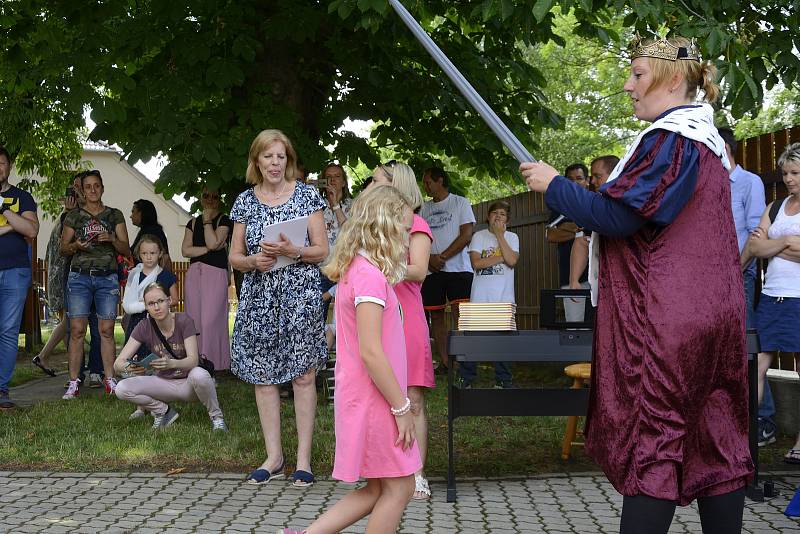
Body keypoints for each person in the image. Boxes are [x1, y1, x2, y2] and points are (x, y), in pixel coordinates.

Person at [521, 35, 752, 533]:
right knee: (716, 437)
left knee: (656, 436)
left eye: (638, 74)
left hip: (668, 320)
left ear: (672, 78)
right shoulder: (707, 144)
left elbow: (621, 216)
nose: (628, 86)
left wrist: (555, 186)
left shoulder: (673, 139)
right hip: (716, 316)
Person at [283, 185, 419, 534]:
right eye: (403, 229)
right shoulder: (369, 276)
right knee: (400, 487)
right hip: (377, 399)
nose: (406, 238)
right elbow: (372, 352)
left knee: (378, 488)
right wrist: (401, 408)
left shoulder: (357, 269)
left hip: (367, 396)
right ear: (384, 227)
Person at [229, 129, 328, 487]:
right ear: (256, 161)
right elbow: (234, 257)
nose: (275, 163)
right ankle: (273, 457)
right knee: (264, 376)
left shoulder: (306, 196)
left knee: (303, 375)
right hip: (259, 297)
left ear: (289, 161)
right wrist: (254, 261)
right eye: (268, 157)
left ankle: (303, 460)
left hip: (299, 297)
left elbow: (322, 251)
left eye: (281, 157)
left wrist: (293, 251)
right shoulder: (245, 202)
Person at [369, 161, 435, 500]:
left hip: (406, 316)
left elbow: (419, 270)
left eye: (378, 179)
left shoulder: (417, 223)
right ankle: (386, 470)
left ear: (396, 185)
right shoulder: (377, 224)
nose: (372, 183)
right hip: (376, 315)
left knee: (414, 399)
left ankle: (417, 473)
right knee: (382, 397)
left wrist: (379, 267)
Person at [718, 127, 774, 447]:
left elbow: (756, 233)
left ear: (724, 147)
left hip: (741, 273)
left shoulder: (748, 182)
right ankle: (731, 416)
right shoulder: (704, 184)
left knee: (747, 341)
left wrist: (736, 270)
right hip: (710, 279)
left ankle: (763, 417)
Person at [113, 282, 227, 431]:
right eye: (151, 303)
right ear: (146, 307)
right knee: (121, 388)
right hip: (163, 382)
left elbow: (193, 360)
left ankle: (217, 418)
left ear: (169, 301)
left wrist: (171, 364)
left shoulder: (183, 321)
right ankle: (163, 412)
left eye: (160, 301)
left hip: (189, 383)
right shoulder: (143, 326)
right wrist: (132, 367)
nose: (157, 307)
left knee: (200, 375)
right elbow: (117, 364)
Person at [748, 142, 800, 464]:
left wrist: (770, 245)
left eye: (795, 173)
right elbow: (754, 248)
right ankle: (747, 437)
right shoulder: (776, 206)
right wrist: (785, 243)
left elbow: (764, 245)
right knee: (755, 366)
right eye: (785, 173)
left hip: (799, 300)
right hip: (771, 298)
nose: (789, 179)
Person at [60, 170, 131, 399]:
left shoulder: (114, 215)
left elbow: (127, 249)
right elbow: (63, 248)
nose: (92, 190)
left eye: (96, 186)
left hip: (106, 277)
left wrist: (111, 238)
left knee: (107, 330)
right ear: (83, 190)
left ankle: (109, 379)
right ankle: (73, 382)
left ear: (102, 188)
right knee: (77, 330)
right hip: (79, 276)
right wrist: (76, 246)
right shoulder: (74, 216)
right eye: (88, 186)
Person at [459, 200, 519, 389]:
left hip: (504, 299)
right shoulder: (479, 236)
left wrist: (501, 236)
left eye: (502, 214)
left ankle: (503, 381)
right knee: (471, 341)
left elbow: (513, 261)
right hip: (480, 299)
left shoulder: (512, 237)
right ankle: (466, 380)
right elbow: (477, 263)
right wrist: (503, 257)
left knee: (503, 342)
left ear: (507, 219)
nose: (498, 217)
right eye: (495, 213)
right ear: (488, 216)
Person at [420, 166, 475, 371]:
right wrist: (429, 259)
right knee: (436, 316)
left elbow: (467, 233)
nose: (425, 186)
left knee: (461, 314)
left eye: (428, 182)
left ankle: (464, 360)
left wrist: (442, 256)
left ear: (440, 180)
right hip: (431, 270)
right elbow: (418, 237)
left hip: (458, 269)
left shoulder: (460, 202)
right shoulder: (424, 209)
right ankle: (445, 362)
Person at [0, 146, 39, 409]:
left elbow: (31, 230)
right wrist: (13, 226)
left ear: (9, 166)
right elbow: (21, 227)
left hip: (15, 271)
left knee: (8, 331)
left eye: (2, 163)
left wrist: (3, 209)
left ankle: (1, 389)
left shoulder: (21, 197)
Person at [181, 188, 232, 371]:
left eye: (214, 196)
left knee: (211, 320)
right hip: (194, 273)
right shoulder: (192, 223)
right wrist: (209, 249)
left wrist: (208, 221)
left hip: (216, 273)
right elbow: (186, 251)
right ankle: (194, 361)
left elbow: (212, 241)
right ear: (200, 198)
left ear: (219, 200)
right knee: (194, 318)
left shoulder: (224, 220)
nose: (210, 200)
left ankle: (214, 363)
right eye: (205, 196)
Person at [566, 156, 620, 322]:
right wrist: (574, 280)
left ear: (615, 175)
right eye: (592, 177)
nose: (593, 181)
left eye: (598, 176)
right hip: (602, 285)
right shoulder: (595, 204)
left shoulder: (633, 201)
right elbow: (582, 241)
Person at [33, 191, 78, 377]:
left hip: (57, 276)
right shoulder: (67, 219)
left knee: (68, 322)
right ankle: (46, 356)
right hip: (62, 277)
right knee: (69, 321)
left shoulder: (62, 219)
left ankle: (72, 368)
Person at [545, 163, 589, 321]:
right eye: (570, 180)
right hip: (570, 278)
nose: (575, 183)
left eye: (579, 178)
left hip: (599, 278)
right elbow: (550, 235)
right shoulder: (560, 207)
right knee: (574, 326)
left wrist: (572, 229)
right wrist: (577, 230)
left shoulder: (597, 202)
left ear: (587, 181)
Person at [122, 235, 179, 351]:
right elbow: (127, 301)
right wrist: (143, 306)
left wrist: (153, 305)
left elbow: (175, 300)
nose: (148, 257)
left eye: (152, 253)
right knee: (135, 355)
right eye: (144, 253)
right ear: (139, 254)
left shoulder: (166, 276)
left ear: (160, 254)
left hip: (159, 322)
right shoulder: (134, 275)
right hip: (136, 321)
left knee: (157, 353)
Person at [319, 163, 354, 319]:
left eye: (337, 177)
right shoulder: (315, 207)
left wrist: (336, 206)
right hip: (322, 270)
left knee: (348, 320)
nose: (332, 181)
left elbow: (351, 234)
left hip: (347, 271)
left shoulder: (355, 206)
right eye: (328, 177)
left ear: (344, 182)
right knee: (316, 319)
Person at [130, 199, 172, 272]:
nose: (131, 216)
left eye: (133, 212)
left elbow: (165, 257)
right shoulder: (150, 230)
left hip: (150, 277)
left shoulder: (151, 232)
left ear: (141, 213)